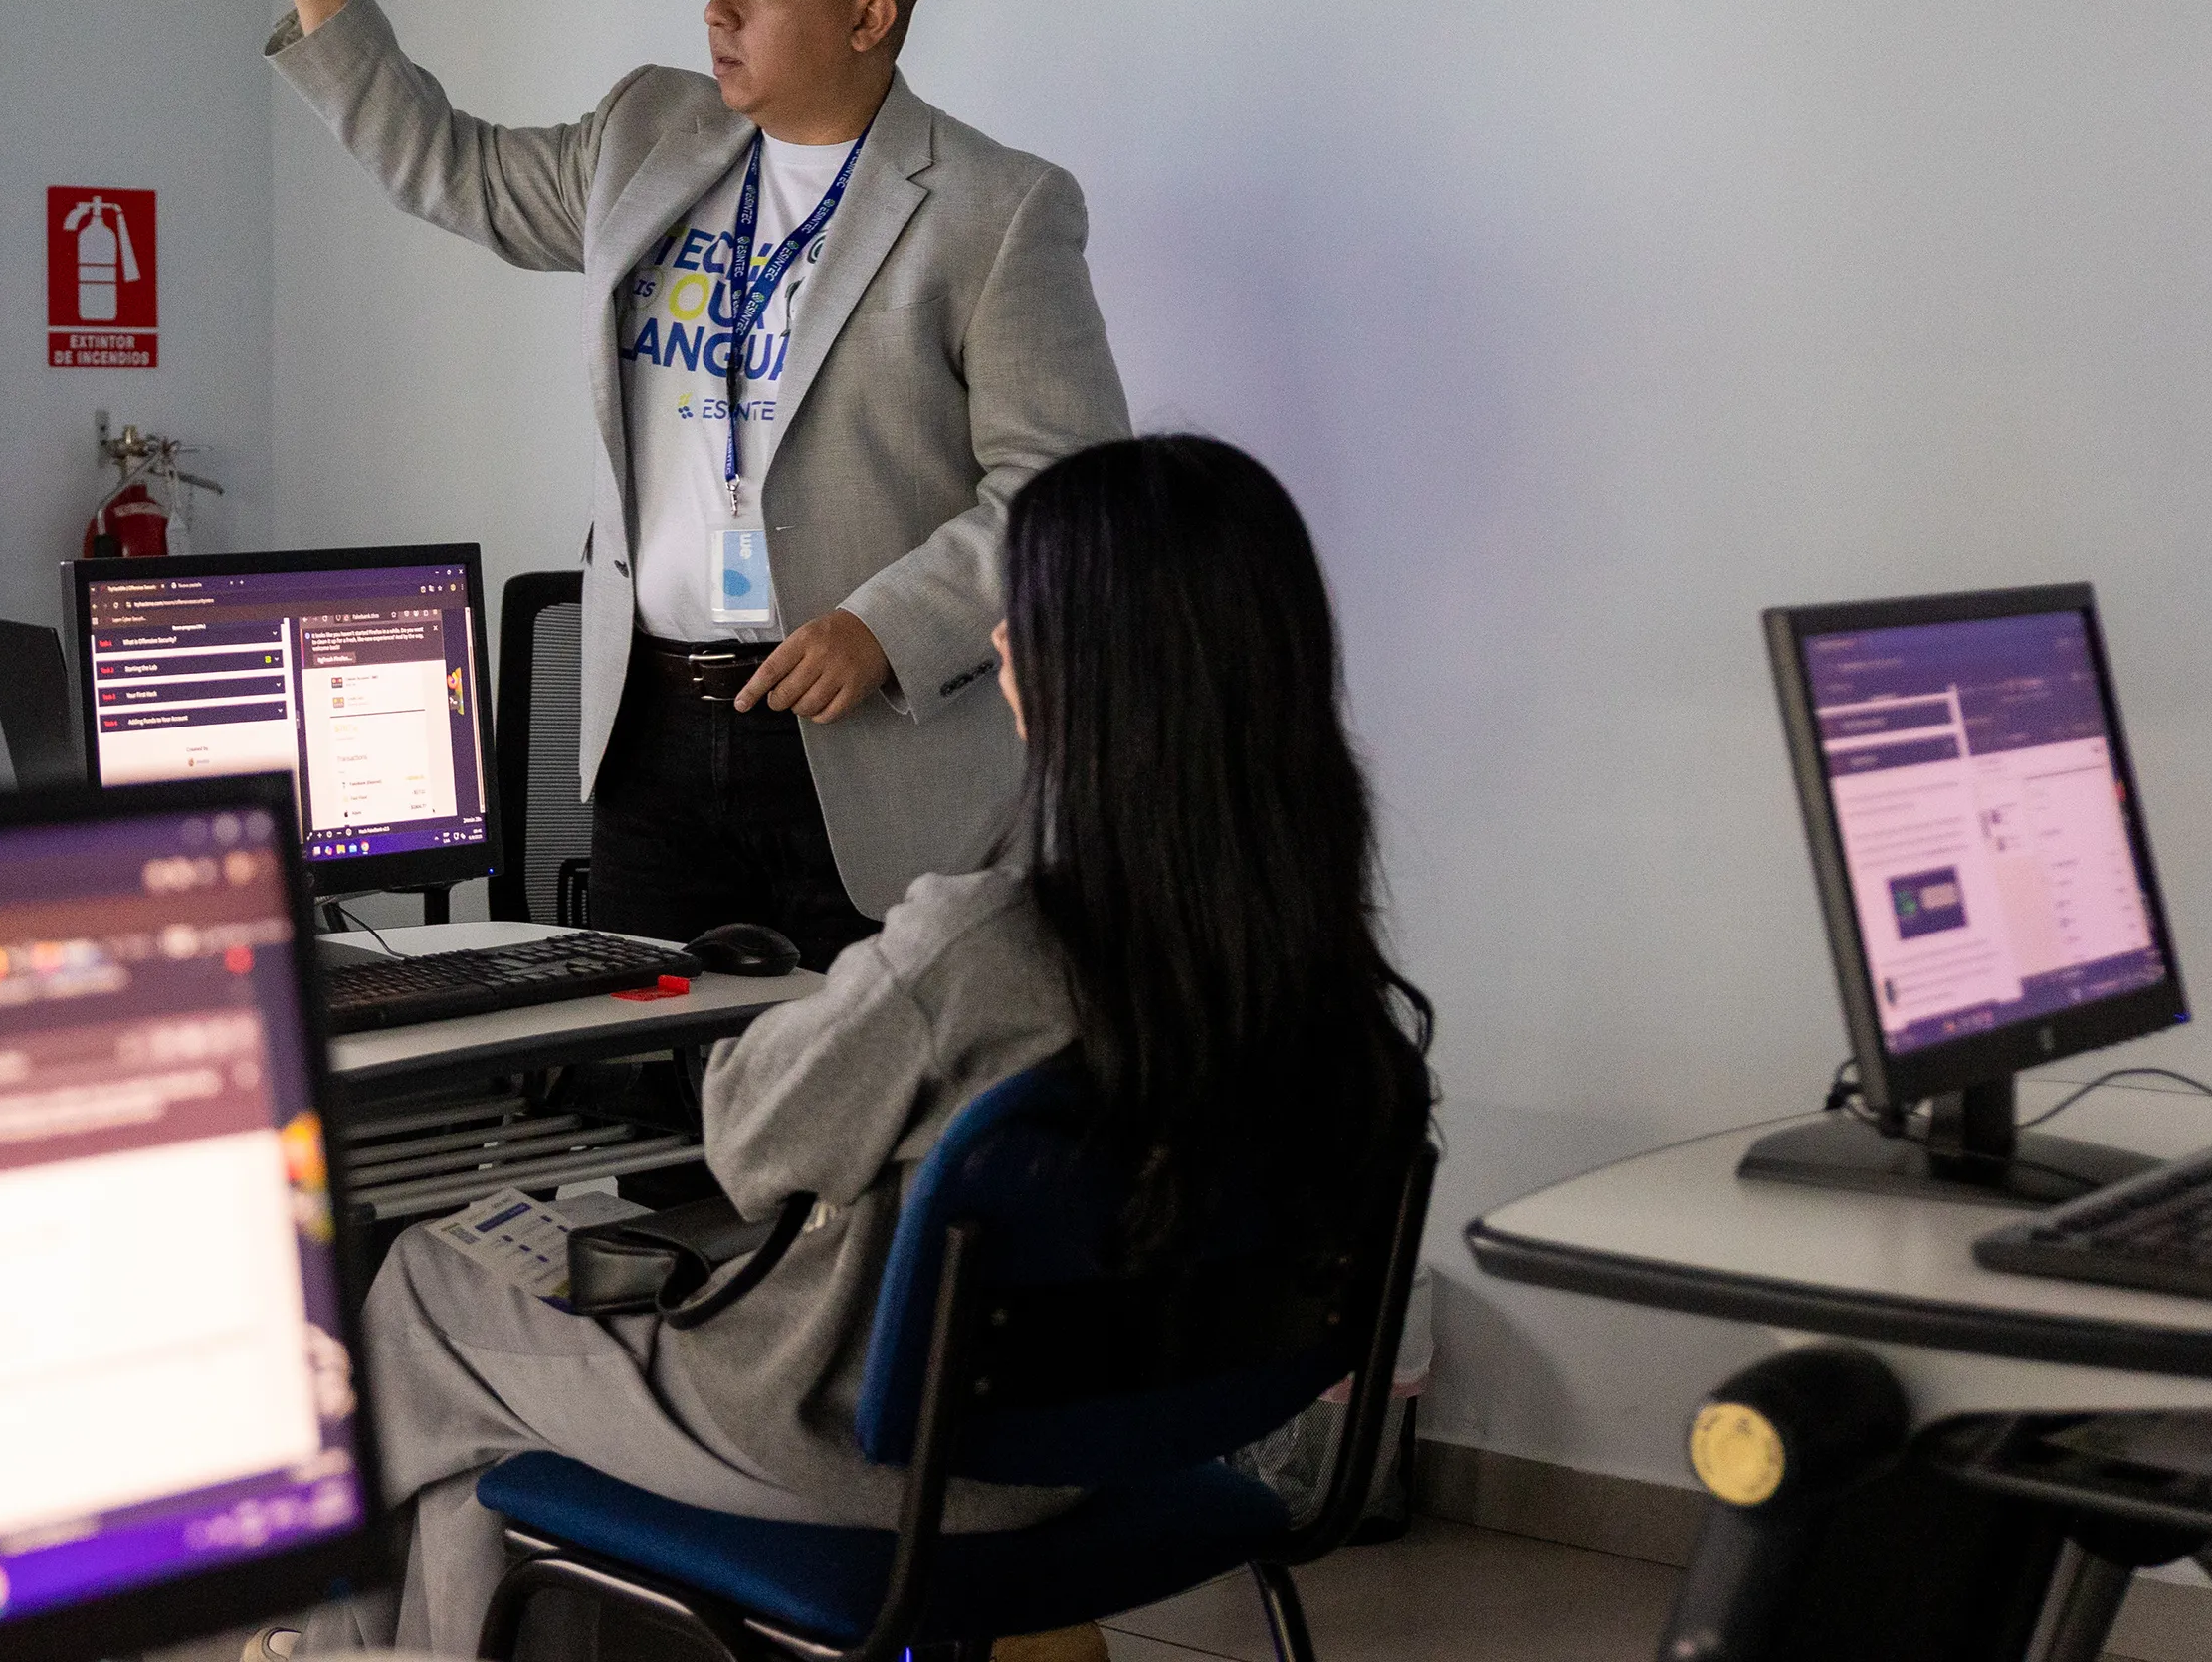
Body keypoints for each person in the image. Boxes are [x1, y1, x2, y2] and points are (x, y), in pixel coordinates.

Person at [342, 434, 1435, 1656]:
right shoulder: (1321, 979)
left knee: (429, 1286)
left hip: (875, 1457)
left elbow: (745, 1140)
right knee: (473, 1425)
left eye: (1027, 612)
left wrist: (847, 1000)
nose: (1000, 639)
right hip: (1118, 1448)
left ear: (1096, 666)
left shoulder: (981, 943)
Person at [194, 0, 1128, 957]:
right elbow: (450, 167)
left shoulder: (996, 206)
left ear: (867, 19)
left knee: (857, 1060)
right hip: (652, 729)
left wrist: (885, 628)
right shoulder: (649, 134)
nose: (717, 9)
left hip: (866, 736)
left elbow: (1065, 483)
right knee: (645, 1051)